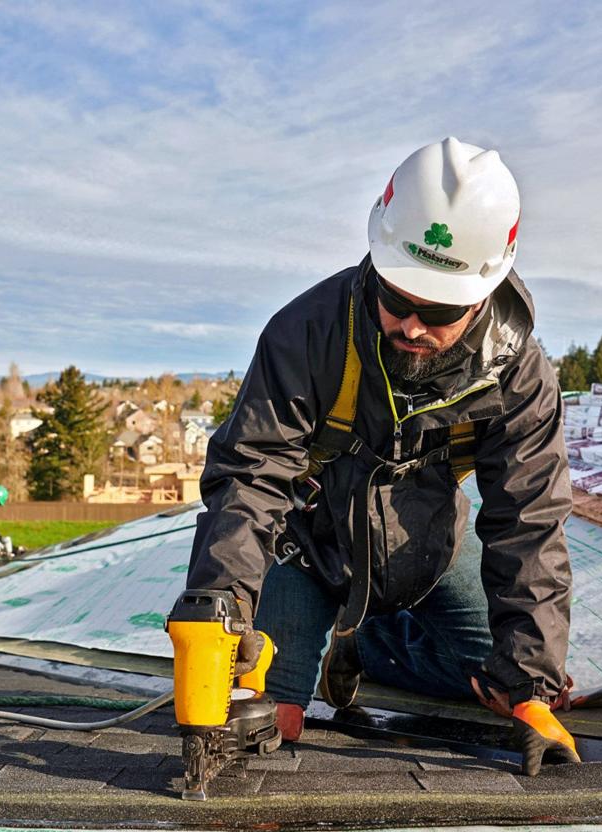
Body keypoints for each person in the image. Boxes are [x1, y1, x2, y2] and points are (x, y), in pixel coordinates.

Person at [185, 138, 577, 775]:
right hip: (307, 550)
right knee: (271, 725)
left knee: (499, 690)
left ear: (487, 289)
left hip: (428, 549)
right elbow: (248, 483)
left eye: (441, 309)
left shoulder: (519, 376)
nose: (414, 325)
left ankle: (362, 636)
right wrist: (216, 614)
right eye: (398, 296)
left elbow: (529, 519)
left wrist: (531, 684)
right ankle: (314, 637)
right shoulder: (307, 334)